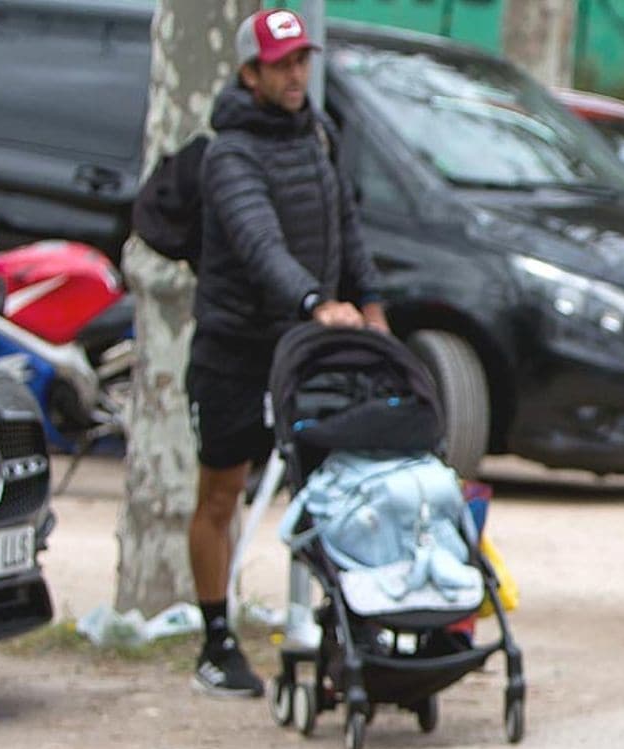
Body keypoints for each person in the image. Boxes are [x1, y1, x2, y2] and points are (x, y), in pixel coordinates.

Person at [187, 8, 387, 698]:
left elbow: (347, 226)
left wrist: (371, 305)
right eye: (282, 64)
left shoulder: (318, 135)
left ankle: (339, 634)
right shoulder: (229, 153)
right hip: (235, 348)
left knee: (331, 488)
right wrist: (311, 302)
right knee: (221, 492)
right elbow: (258, 241)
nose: (297, 74)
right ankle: (216, 642)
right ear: (251, 73)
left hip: (308, 347)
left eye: (302, 60)